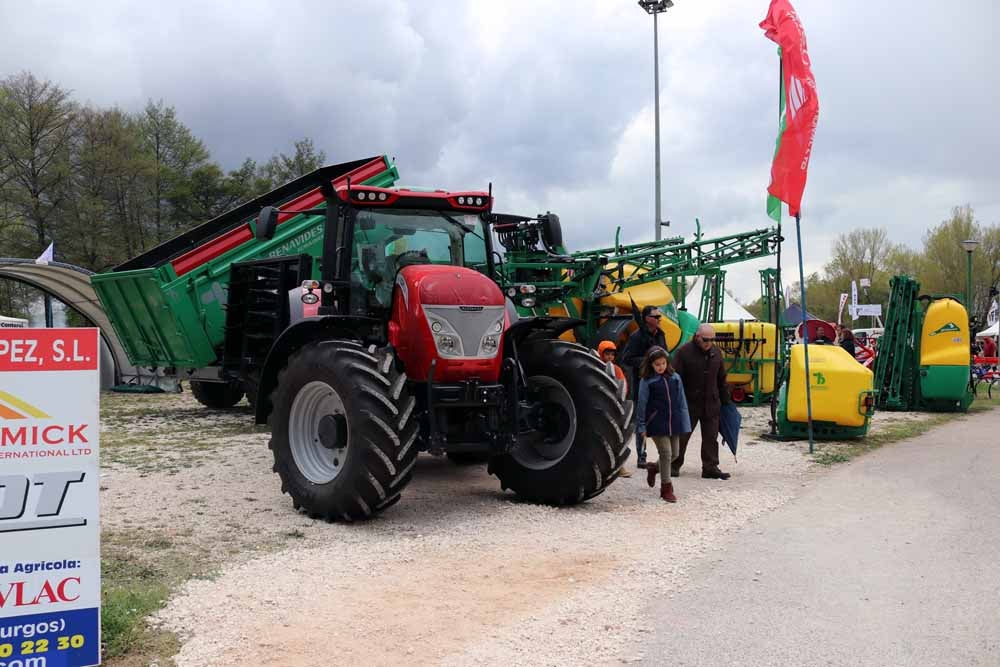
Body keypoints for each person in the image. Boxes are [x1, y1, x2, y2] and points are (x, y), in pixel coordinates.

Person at [670, 323, 732, 480]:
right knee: (682, 435)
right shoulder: (683, 352)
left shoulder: (716, 353)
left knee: (711, 437)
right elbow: (674, 380)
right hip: (688, 403)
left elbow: (721, 379)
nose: (709, 343)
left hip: (711, 402)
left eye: (712, 339)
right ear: (698, 336)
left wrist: (726, 402)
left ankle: (710, 467)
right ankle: (673, 464)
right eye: (706, 339)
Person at [636, 347, 691, 502]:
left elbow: (682, 402)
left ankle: (654, 468)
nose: (661, 367)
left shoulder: (675, 378)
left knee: (675, 454)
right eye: (657, 364)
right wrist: (641, 426)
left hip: (674, 422)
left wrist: (685, 422)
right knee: (666, 453)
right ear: (651, 365)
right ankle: (666, 488)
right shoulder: (647, 381)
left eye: (663, 363)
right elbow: (641, 403)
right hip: (656, 422)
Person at [622, 306, 668, 469]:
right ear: (646, 318)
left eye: (658, 316)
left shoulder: (661, 334)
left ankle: (665, 456)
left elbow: (665, 355)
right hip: (643, 383)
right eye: (655, 316)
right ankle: (641, 457)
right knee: (641, 420)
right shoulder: (636, 337)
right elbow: (627, 359)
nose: (658, 318)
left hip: (660, 383)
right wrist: (647, 361)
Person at [597, 340, 632, 478]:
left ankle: (619, 467)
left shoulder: (617, 370)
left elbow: (623, 385)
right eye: (607, 354)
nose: (610, 357)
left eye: (612, 354)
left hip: (613, 407)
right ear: (601, 354)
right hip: (600, 407)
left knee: (616, 437)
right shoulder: (596, 366)